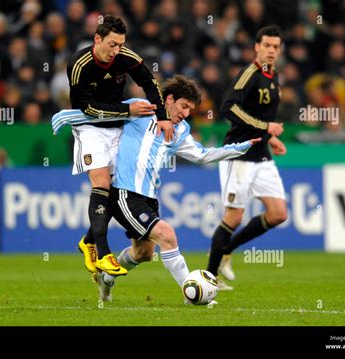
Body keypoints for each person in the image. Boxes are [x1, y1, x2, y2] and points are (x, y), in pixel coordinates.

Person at [86, 75, 260, 302]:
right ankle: (192, 293)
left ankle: (106, 278)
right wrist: (70, 118)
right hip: (124, 193)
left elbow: (201, 155)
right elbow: (100, 115)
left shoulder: (181, 130)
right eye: (184, 106)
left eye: (190, 109)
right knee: (167, 234)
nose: (186, 113)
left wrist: (240, 148)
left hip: (149, 197)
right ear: (169, 99)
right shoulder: (139, 110)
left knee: (143, 253)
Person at [67, 15, 174, 276]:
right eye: (112, 44)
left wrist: (162, 116)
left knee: (117, 190)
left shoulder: (126, 57)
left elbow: (149, 83)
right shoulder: (79, 65)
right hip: (89, 126)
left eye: (120, 45)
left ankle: (88, 241)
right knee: (101, 182)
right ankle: (103, 253)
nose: (116, 51)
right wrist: (127, 112)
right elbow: (86, 108)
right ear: (97, 39)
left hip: (117, 128)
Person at [206, 25, 288, 289]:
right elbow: (228, 107)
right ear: (256, 47)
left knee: (278, 214)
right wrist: (265, 129)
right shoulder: (250, 74)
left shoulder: (274, 76)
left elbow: (260, 117)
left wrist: (269, 138)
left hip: (261, 155)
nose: (271, 51)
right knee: (234, 217)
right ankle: (210, 277)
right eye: (267, 45)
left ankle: (226, 250)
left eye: (276, 46)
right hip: (239, 154)